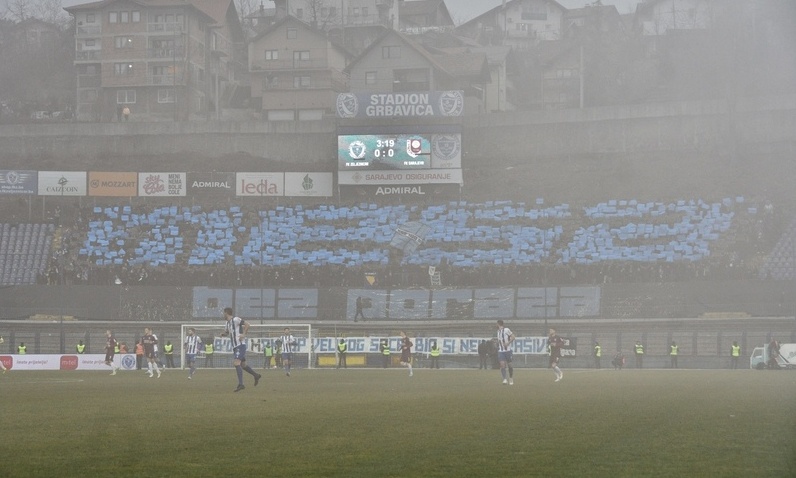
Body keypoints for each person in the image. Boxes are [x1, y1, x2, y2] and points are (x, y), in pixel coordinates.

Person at [222, 307, 262, 391]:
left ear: (226, 313)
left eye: (224, 313)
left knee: (236, 363)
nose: (223, 315)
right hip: (235, 347)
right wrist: (224, 334)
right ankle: (256, 375)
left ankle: (241, 384)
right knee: (243, 365)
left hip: (240, 345)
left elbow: (247, 324)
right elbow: (227, 332)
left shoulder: (236, 319)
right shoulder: (227, 323)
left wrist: (244, 334)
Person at [496, 320, 514, 385]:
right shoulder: (498, 332)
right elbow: (499, 341)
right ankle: (504, 379)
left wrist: (508, 343)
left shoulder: (506, 330)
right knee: (502, 365)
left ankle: (511, 378)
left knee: (510, 365)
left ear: (498, 324)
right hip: (501, 351)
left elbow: (513, 337)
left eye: (496, 324)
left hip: (508, 351)